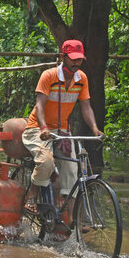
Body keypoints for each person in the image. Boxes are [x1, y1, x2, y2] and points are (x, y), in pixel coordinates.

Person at [22, 39, 103, 224]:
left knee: (73, 169)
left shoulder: (81, 79)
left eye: (79, 60)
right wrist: (43, 128)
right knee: (46, 161)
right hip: (37, 129)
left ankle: (71, 219)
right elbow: (40, 105)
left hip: (62, 131)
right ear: (63, 57)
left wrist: (95, 129)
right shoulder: (48, 76)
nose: (76, 63)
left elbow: (86, 107)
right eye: (73, 59)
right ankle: (31, 197)